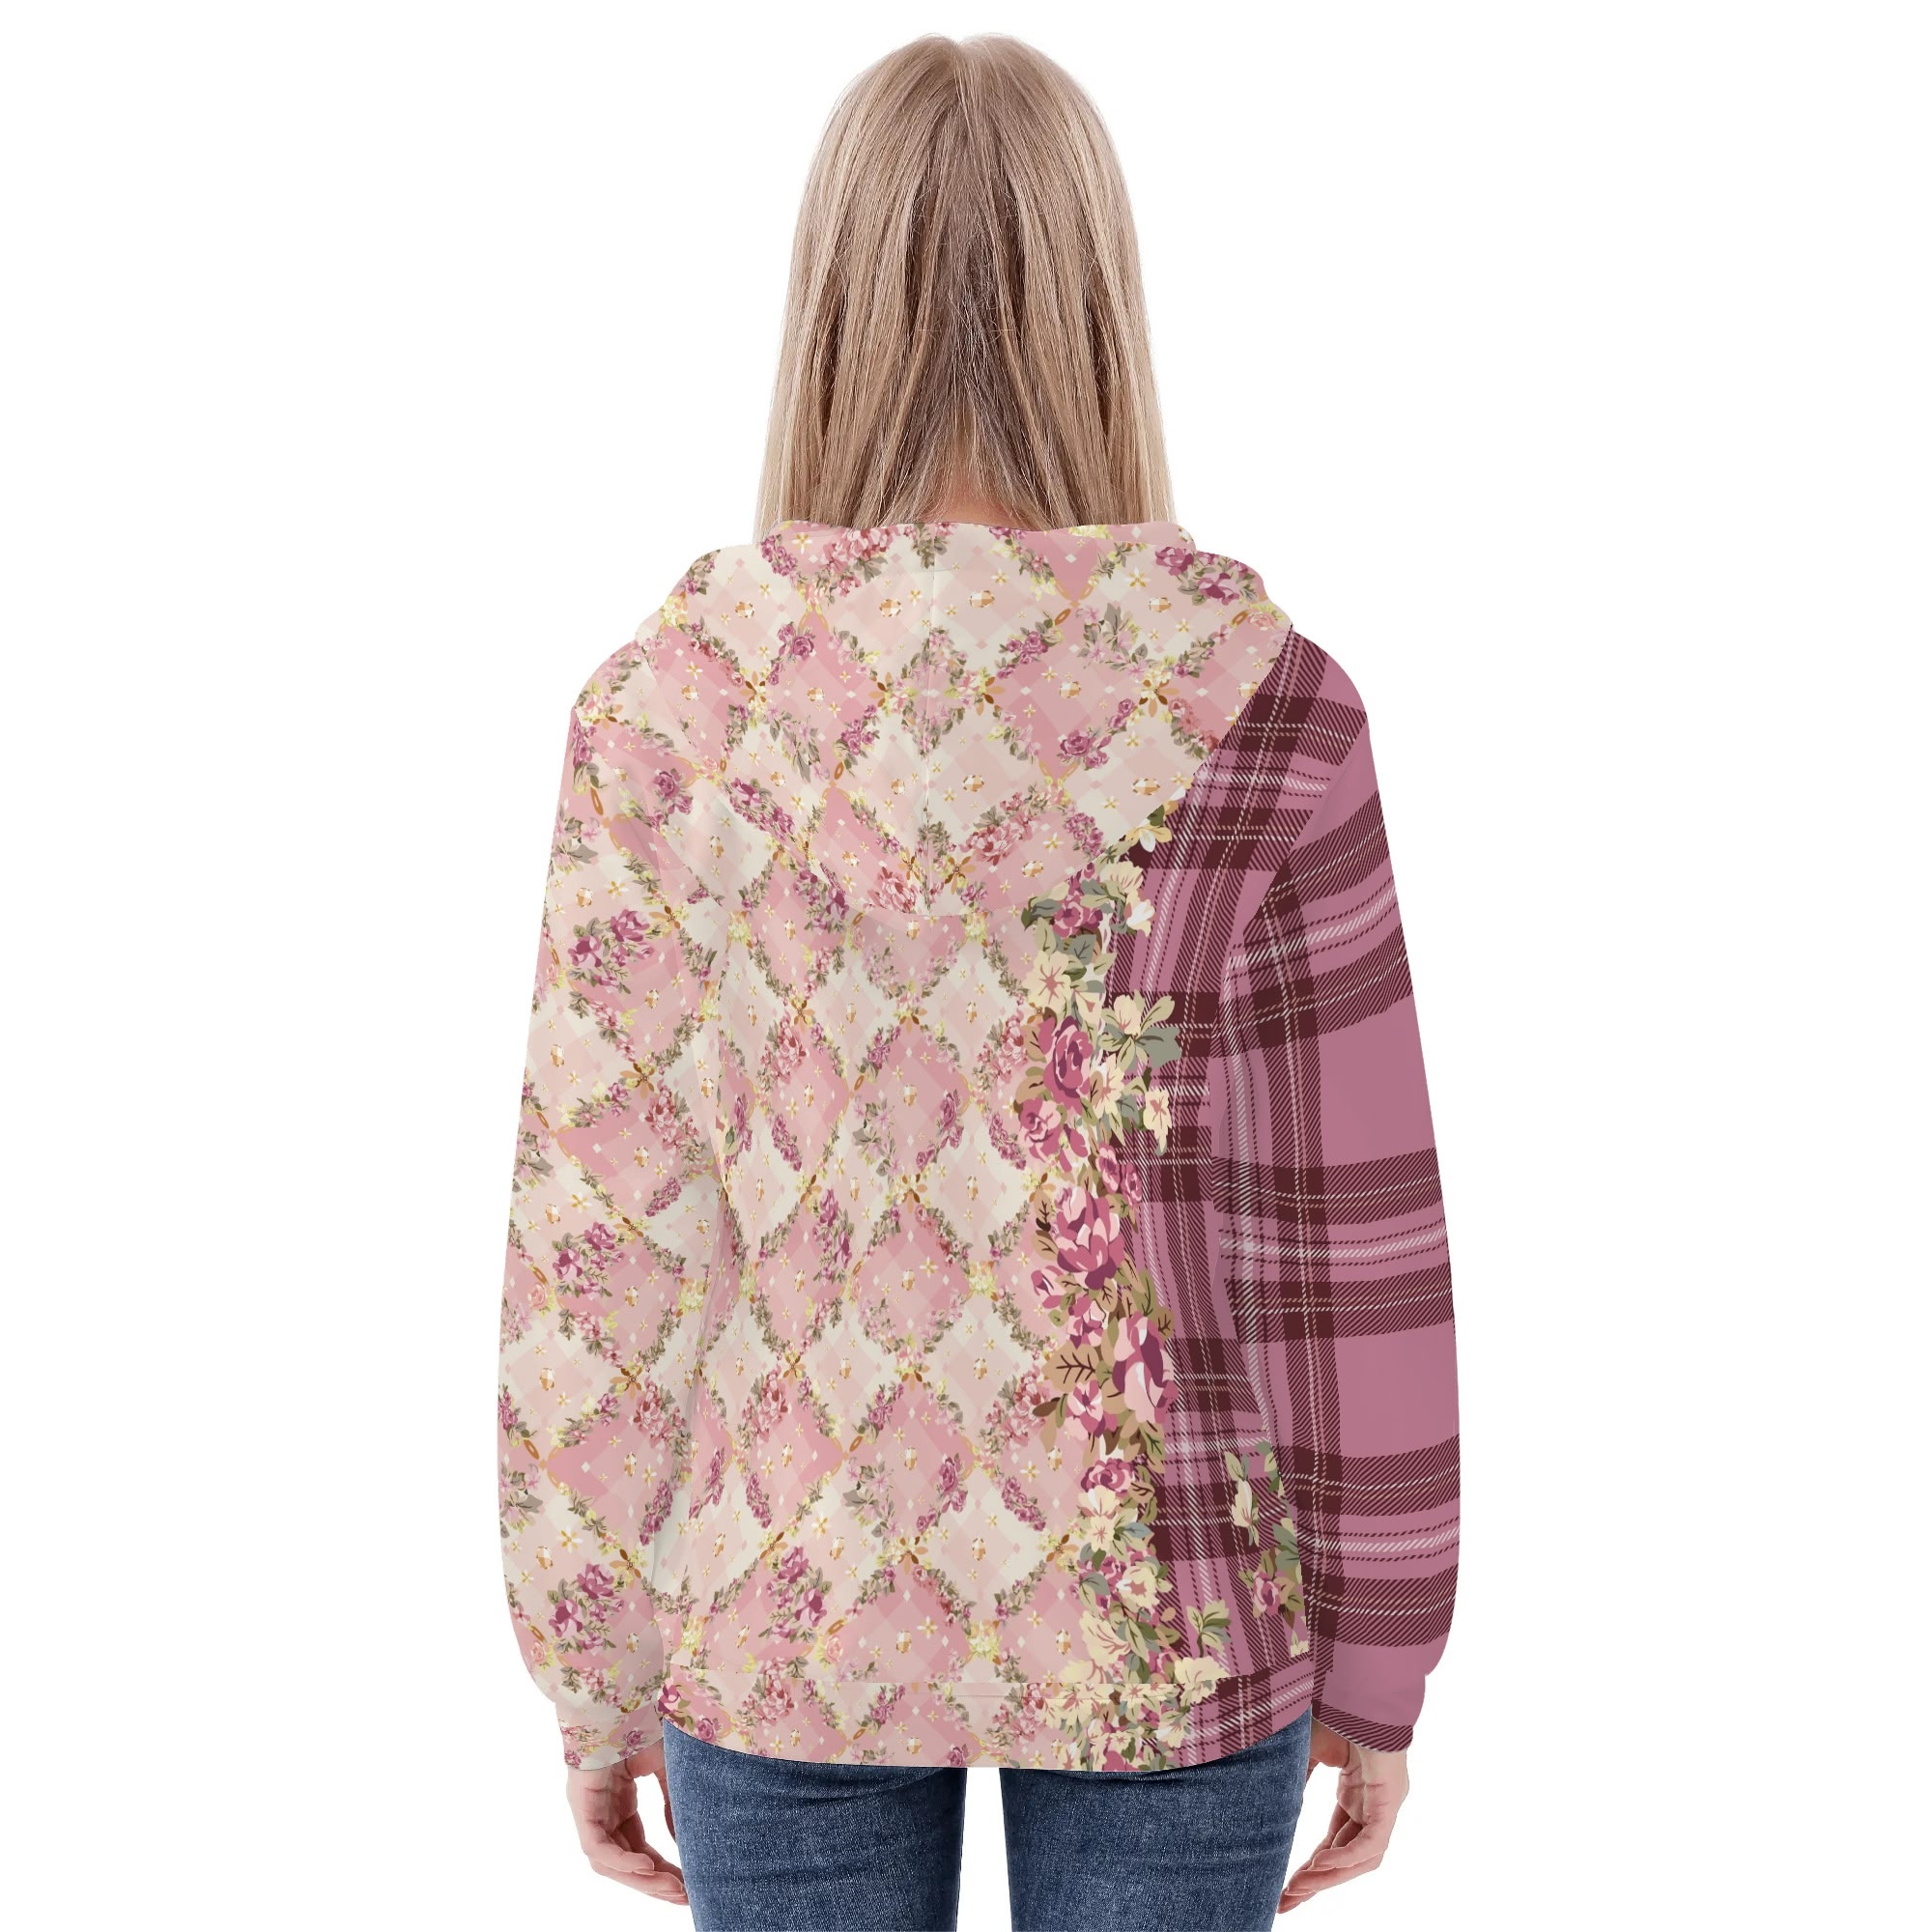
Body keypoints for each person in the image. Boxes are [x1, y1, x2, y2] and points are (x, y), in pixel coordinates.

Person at [496, 31, 1459, 1930]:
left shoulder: (677, 698)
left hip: (783, 1611)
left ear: (825, 305)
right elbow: (1341, 1233)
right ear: (1101, 304)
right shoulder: (1263, 696)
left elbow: (607, 1228)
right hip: (1169, 1622)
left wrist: (591, 1660)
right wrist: (1382, 1660)